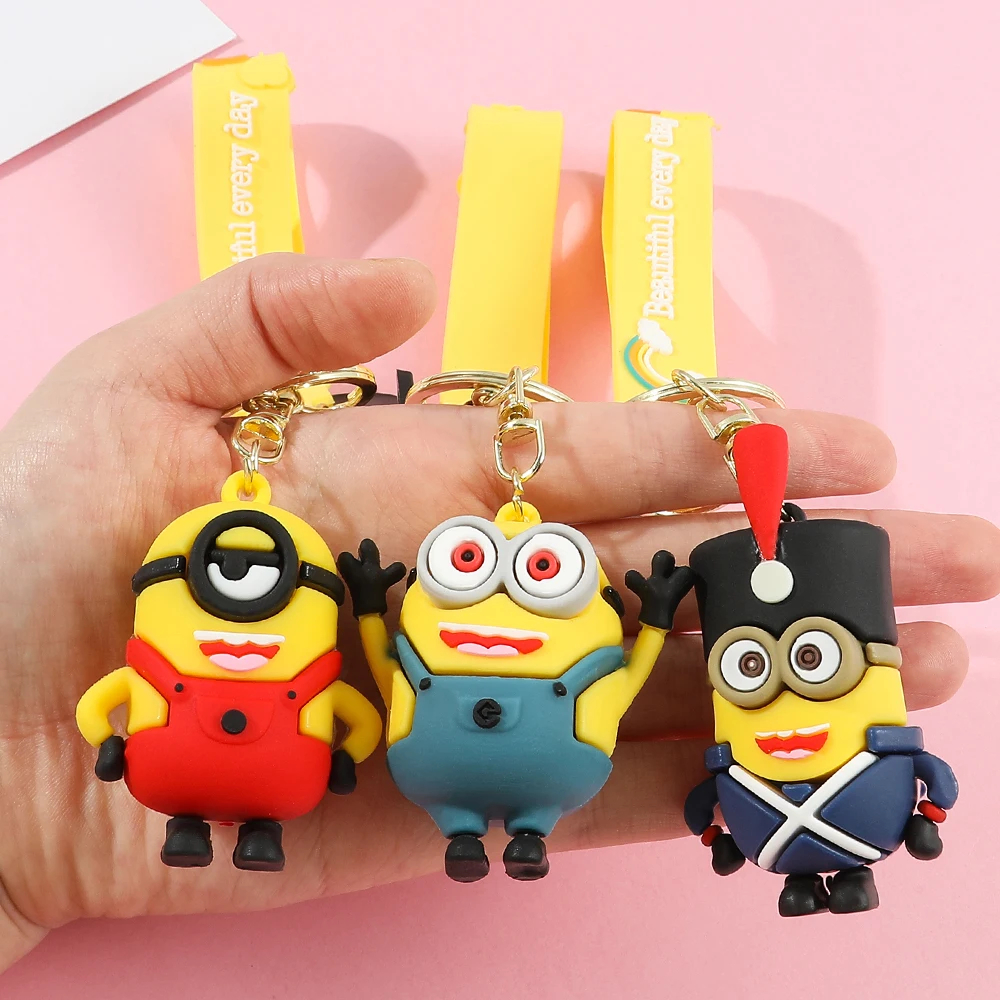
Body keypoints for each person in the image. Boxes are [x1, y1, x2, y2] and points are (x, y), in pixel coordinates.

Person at [0, 253, 995, 971]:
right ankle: (448, 832)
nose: (501, 598)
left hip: (513, 769)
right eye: (468, 569)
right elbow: (383, 681)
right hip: (414, 765)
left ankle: (515, 834)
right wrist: (358, 657)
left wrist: (652, 619)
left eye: (530, 575)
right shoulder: (392, 634)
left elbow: (546, 683)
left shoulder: (564, 655)